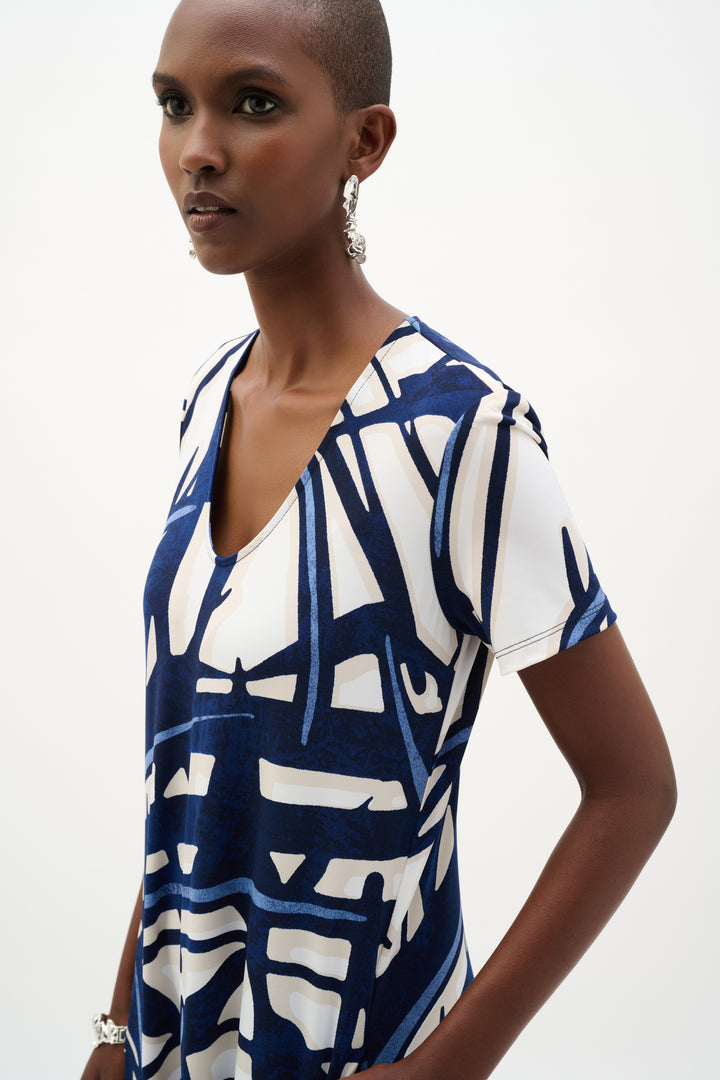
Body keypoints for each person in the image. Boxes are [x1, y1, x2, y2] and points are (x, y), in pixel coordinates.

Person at [80, 1, 676, 1078]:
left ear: (366, 140)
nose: (198, 149)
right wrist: (117, 1034)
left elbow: (634, 789)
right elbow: (197, 770)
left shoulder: (459, 433)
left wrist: (451, 1065)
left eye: (252, 103)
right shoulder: (211, 401)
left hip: (353, 1043)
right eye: (174, 106)